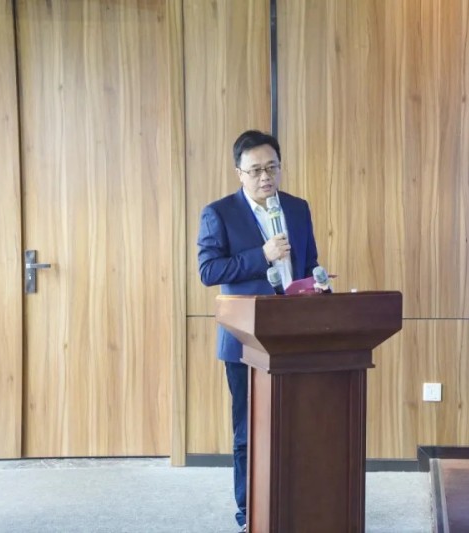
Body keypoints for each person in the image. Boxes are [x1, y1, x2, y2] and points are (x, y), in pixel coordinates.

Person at [197, 130, 319, 533]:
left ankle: (295, 502)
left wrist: (317, 286)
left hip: (294, 334)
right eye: (255, 170)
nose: (265, 177)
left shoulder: (297, 208)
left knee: (296, 425)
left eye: (272, 167)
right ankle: (248, 513)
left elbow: (308, 263)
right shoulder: (219, 213)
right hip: (244, 339)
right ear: (239, 173)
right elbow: (208, 271)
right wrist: (261, 256)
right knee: (248, 431)